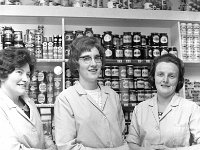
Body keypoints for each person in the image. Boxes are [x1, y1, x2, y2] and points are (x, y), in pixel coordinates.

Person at [54, 36, 129, 150]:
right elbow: (67, 147)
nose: (93, 64)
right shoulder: (66, 99)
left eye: (97, 58)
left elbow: (121, 135)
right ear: (76, 63)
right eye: (86, 58)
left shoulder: (112, 95)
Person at [126, 53, 200, 150]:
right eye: (160, 74)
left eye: (171, 76)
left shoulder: (191, 108)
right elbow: (131, 143)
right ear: (153, 77)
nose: (165, 80)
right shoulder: (140, 109)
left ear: (179, 80)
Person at [0, 47, 57, 150]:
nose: (26, 79)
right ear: (2, 74)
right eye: (19, 72)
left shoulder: (27, 101)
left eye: (28, 74)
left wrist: (50, 144)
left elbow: (40, 132)